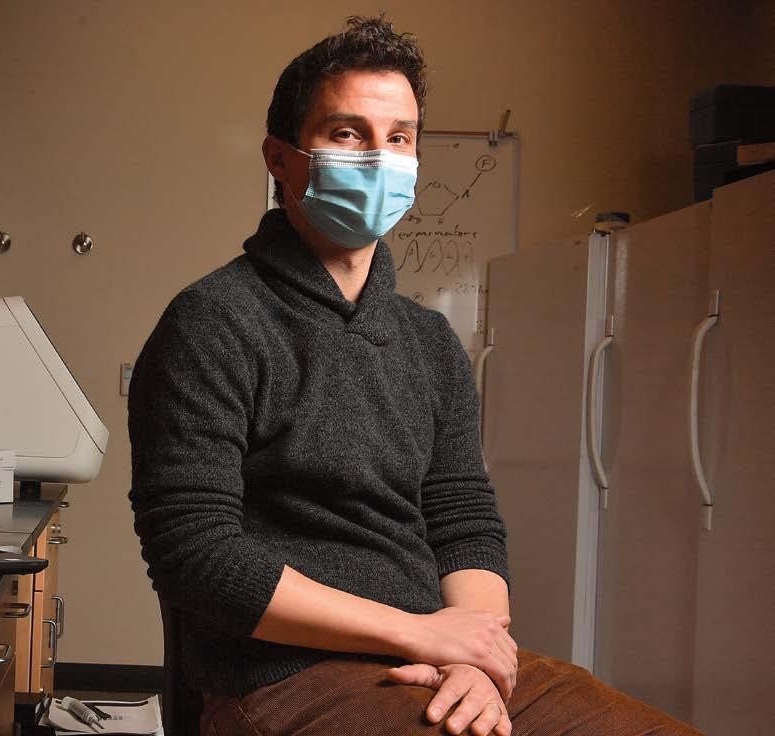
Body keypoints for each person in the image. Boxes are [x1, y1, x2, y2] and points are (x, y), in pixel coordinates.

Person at [128, 15, 701, 736]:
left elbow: (464, 520)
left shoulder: (429, 342)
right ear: (280, 159)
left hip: (437, 658)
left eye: (399, 138)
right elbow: (195, 553)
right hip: (283, 676)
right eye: (347, 133)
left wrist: (475, 657)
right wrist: (418, 633)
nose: (379, 158)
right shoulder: (212, 322)